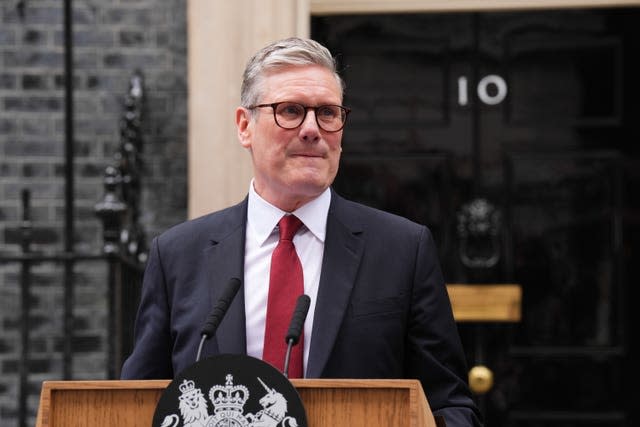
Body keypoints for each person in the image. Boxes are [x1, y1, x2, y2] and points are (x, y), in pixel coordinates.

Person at [121, 37, 482, 426]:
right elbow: (138, 404)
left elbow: (452, 406)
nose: (312, 129)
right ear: (245, 126)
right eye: (290, 111)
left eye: (327, 113)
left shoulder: (402, 250)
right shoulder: (178, 255)